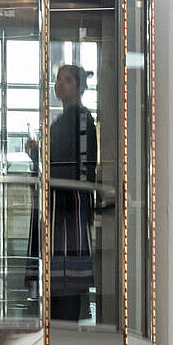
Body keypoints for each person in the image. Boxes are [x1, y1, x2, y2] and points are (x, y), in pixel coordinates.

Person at [45, 63, 101, 319]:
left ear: (79, 87)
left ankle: (65, 323)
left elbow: (74, 164)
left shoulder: (80, 118)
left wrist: (39, 153)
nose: (60, 84)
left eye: (67, 80)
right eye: (58, 79)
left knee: (65, 278)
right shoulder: (72, 117)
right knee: (61, 278)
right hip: (65, 206)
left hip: (67, 207)